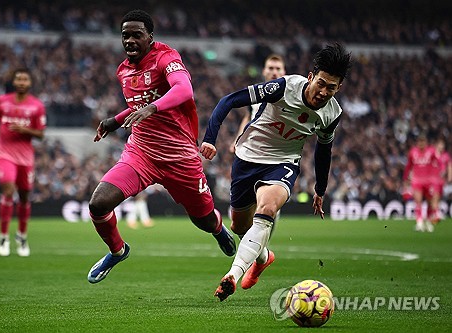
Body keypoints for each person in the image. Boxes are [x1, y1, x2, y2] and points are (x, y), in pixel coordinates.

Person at [87, 9, 236, 284]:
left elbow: (183, 90)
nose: (129, 41)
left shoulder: (166, 58)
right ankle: (117, 251)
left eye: (136, 35)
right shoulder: (123, 71)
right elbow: (137, 106)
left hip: (180, 157)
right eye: (125, 36)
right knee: (98, 204)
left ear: (150, 37)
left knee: (203, 220)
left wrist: (152, 109)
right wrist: (115, 120)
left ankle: (218, 230)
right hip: (141, 153)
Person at [200, 43, 352, 301]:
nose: (324, 92)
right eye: (322, 83)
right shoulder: (283, 87)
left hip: (283, 163)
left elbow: (323, 150)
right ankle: (263, 256)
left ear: (339, 88)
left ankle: (232, 276)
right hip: (247, 157)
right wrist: (209, 139)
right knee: (239, 226)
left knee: (267, 209)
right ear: (311, 76)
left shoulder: (332, 113)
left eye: (332, 87)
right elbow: (229, 101)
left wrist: (320, 189)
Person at [0, 68, 47, 257]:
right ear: (14, 82)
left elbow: (41, 134)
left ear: (30, 83)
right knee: (8, 190)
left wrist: (24, 129)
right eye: (18, 79)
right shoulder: (2, 101)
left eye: (25, 80)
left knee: (23, 197)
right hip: (5, 153)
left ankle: (21, 235)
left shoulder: (36, 106)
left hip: (26, 157)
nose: (21, 82)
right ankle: (3, 236)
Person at [232, 54, 286, 152]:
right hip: (253, 148)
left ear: (284, 72)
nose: (274, 72)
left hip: (278, 150)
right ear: (264, 71)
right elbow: (248, 116)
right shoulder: (255, 93)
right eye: (271, 68)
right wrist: (238, 139)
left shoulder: (290, 96)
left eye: (278, 69)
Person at [403, 134, 439, 232]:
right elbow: (408, 166)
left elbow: (437, 163)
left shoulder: (431, 151)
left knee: (429, 202)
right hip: (417, 180)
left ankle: (427, 221)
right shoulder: (413, 152)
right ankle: (419, 222)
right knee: (417, 201)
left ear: (426, 142)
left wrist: (436, 177)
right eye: (419, 142)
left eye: (423, 142)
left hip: (429, 180)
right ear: (417, 142)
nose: (421, 144)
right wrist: (405, 179)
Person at [430, 138, 451, 224]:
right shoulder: (432, 154)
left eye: (443, 145)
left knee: (438, 197)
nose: (442, 147)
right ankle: (436, 214)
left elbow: (449, 166)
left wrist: (450, 176)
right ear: (437, 145)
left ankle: (434, 213)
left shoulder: (445, 155)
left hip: (441, 180)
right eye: (441, 145)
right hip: (433, 179)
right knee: (434, 197)